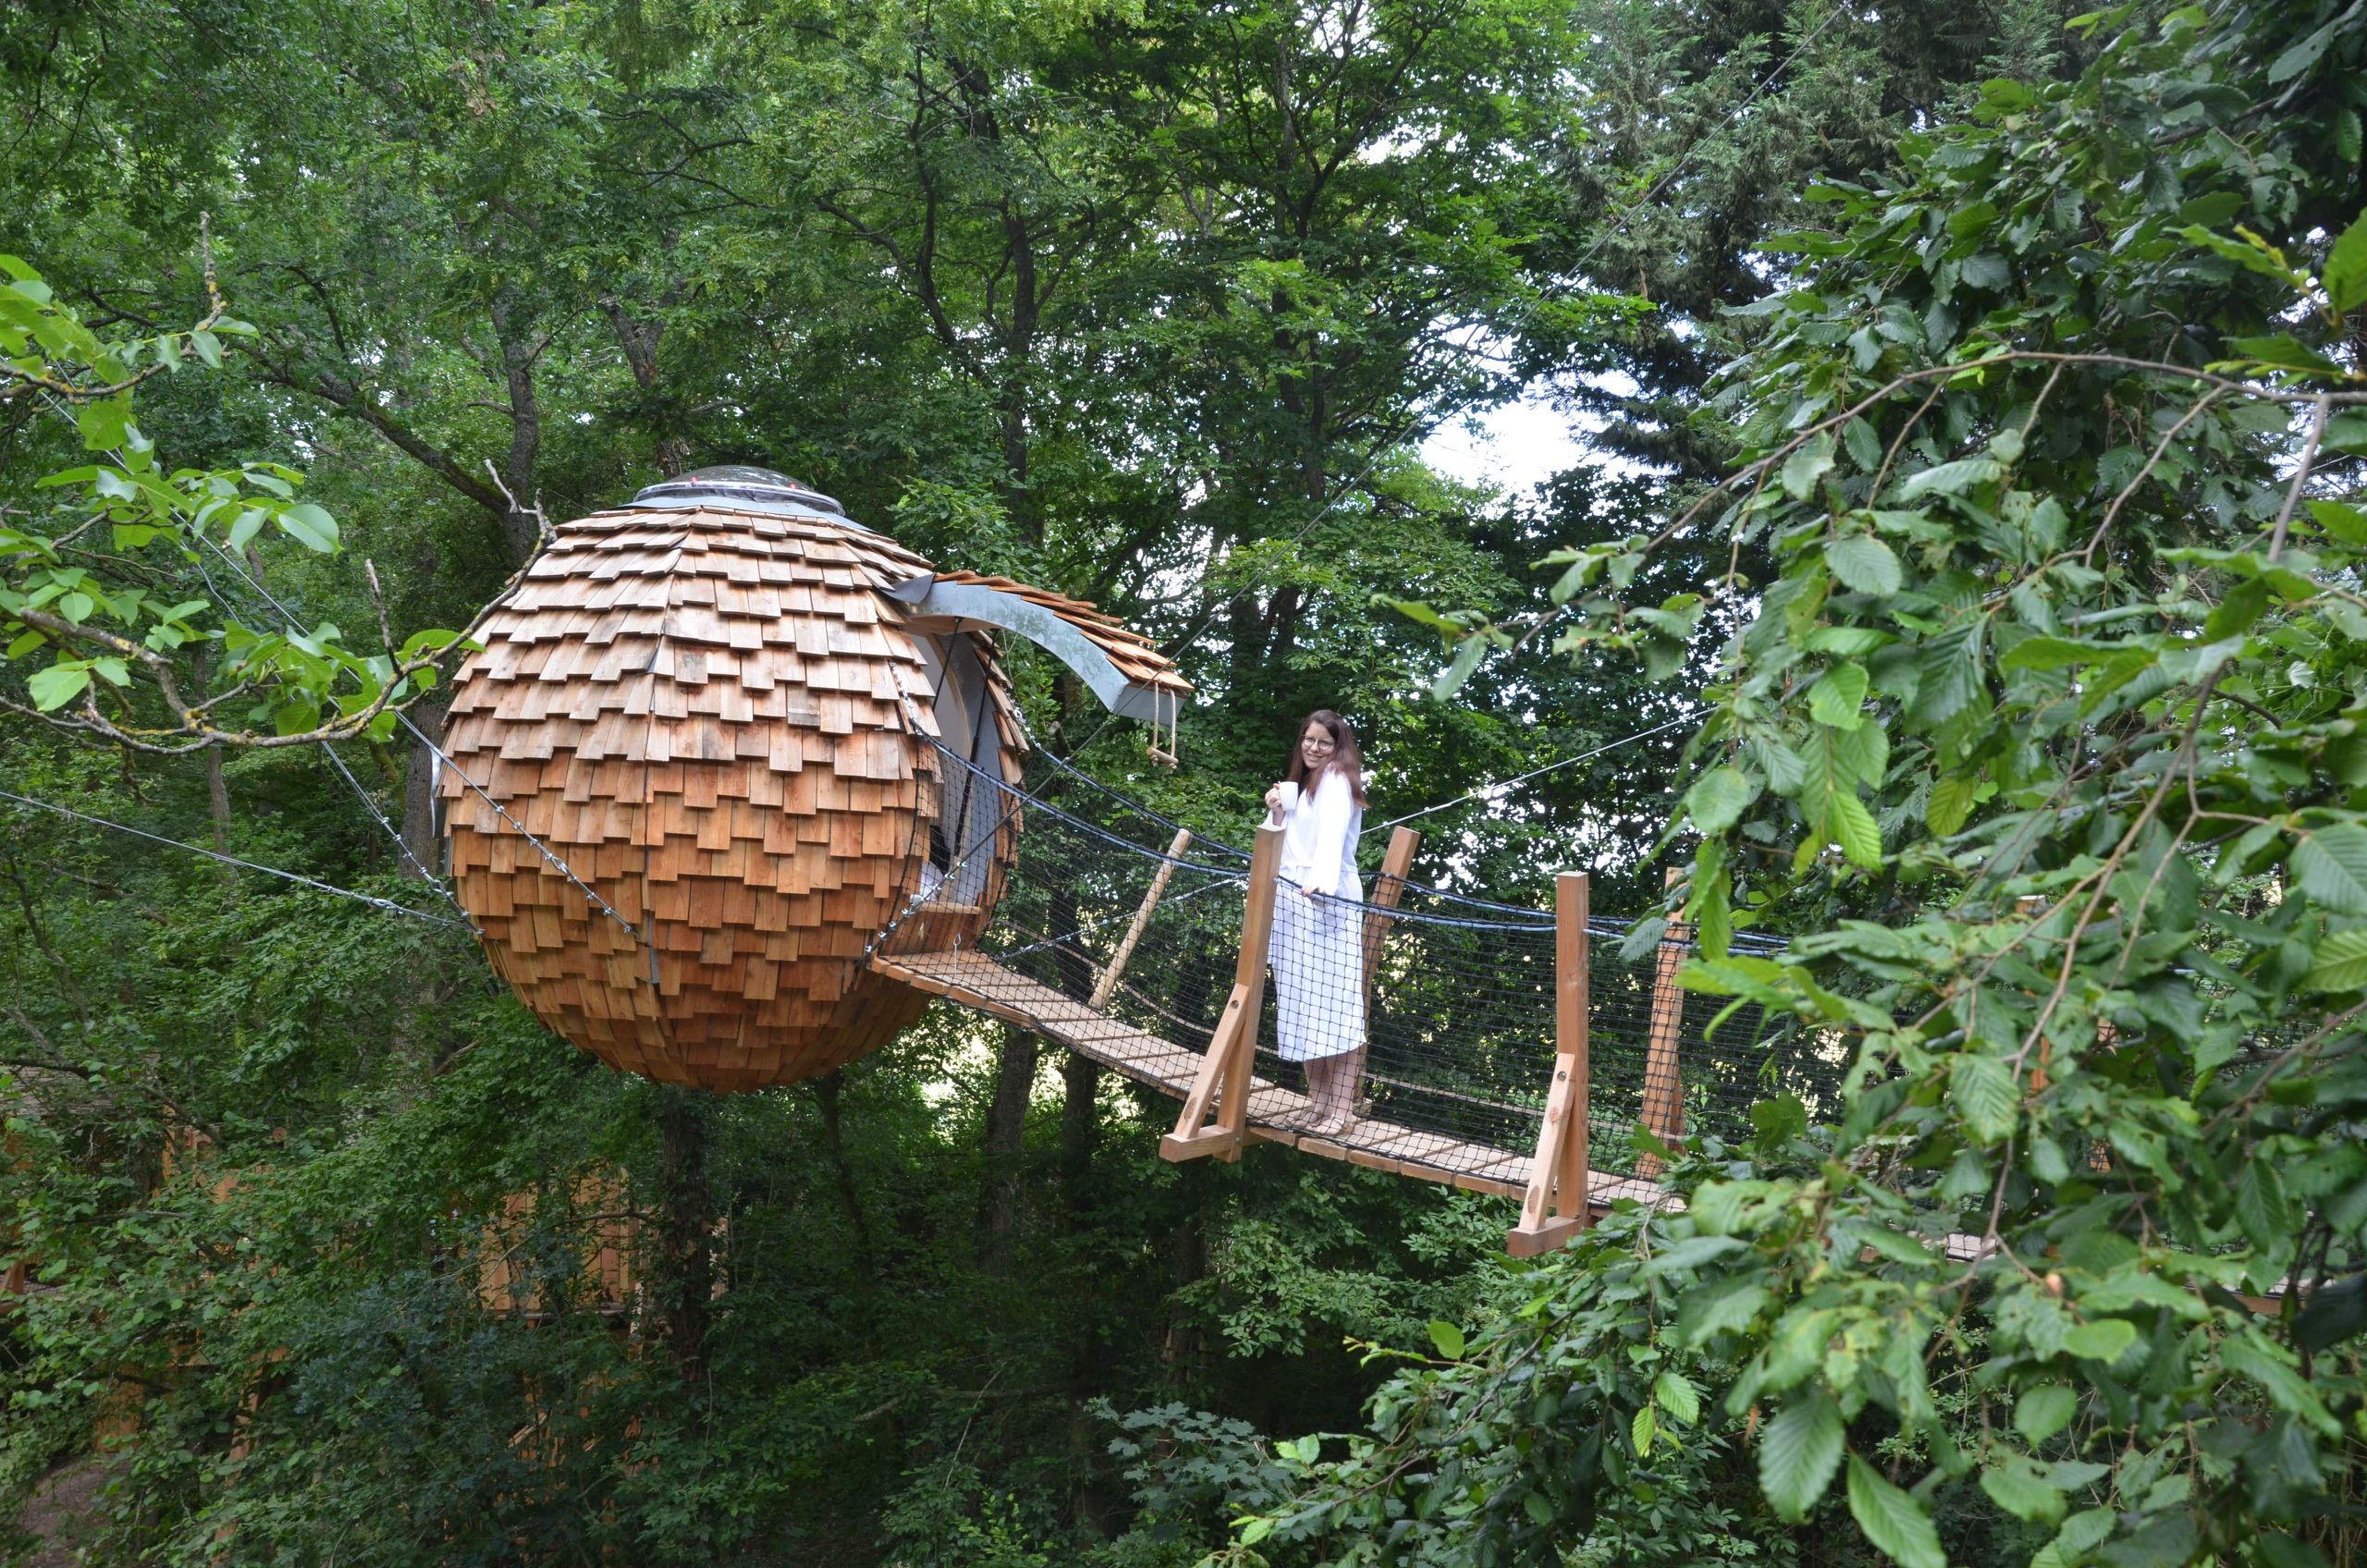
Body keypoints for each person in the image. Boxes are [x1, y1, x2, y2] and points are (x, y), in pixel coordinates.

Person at [1262, 709, 1367, 1137]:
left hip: (1326, 902)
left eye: (1324, 742)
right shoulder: (1300, 786)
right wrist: (1277, 810)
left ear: (1338, 746)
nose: (1314, 748)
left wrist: (1321, 884)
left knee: (1337, 1007)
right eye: (1309, 739)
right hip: (1292, 903)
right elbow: (1276, 838)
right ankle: (1318, 1105)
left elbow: (1332, 836)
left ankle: (1341, 1112)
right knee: (1303, 1003)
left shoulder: (1339, 779)